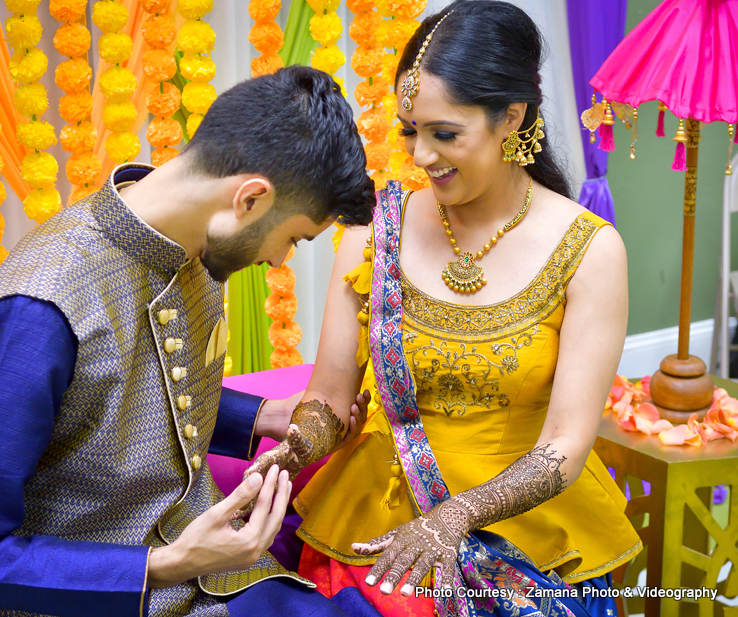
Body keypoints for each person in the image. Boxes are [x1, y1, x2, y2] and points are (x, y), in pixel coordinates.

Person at [0, 66, 381, 617]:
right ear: (250, 199)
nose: (280, 260)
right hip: (96, 597)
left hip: (217, 573)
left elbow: (115, 388)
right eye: (293, 238)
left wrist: (257, 417)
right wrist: (168, 564)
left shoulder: (187, 249)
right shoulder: (38, 309)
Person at [242, 3, 643, 616]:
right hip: (376, 521)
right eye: (409, 130)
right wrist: (294, 449)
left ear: (511, 117)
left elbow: (565, 445)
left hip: (524, 533)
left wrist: (455, 517)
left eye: (444, 133)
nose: (422, 156)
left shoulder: (589, 251)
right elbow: (328, 397)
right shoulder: (375, 229)